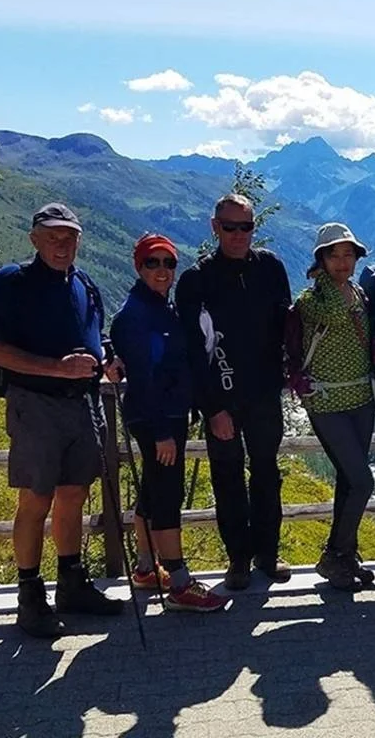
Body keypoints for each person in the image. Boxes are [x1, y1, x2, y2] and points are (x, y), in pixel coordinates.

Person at [0, 202, 126, 638]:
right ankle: (30, 596)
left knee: (74, 493)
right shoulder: (12, 283)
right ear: (34, 239)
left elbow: (96, 336)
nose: (62, 245)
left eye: (69, 237)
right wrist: (57, 369)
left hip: (82, 403)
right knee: (36, 499)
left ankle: (71, 583)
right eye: (53, 237)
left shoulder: (83, 283)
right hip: (36, 404)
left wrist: (108, 359)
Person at [175, 193, 294, 590]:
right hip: (221, 399)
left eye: (246, 226)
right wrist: (212, 408)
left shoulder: (271, 268)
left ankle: (268, 554)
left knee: (267, 473)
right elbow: (194, 350)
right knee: (227, 477)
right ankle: (238, 560)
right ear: (215, 227)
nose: (239, 234)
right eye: (230, 227)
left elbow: (286, 325)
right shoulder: (195, 280)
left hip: (264, 394)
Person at [110, 234, 230, 612]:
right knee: (167, 494)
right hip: (157, 418)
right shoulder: (136, 315)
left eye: (168, 263)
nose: (162, 270)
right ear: (138, 266)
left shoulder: (159, 307)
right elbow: (144, 378)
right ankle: (179, 582)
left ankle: (147, 568)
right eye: (153, 262)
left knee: (153, 489)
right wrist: (162, 432)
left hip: (165, 415)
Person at [289, 223, 375, 591]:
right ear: (321, 260)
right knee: (363, 480)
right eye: (334, 255)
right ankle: (334, 555)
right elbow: (335, 315)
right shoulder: (311, 301)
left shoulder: (358, 293)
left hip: (360, 399)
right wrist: (333, 286)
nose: (343, 262)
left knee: (349, 479)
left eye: (348, 254)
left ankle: (346, 556)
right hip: (326, 402)